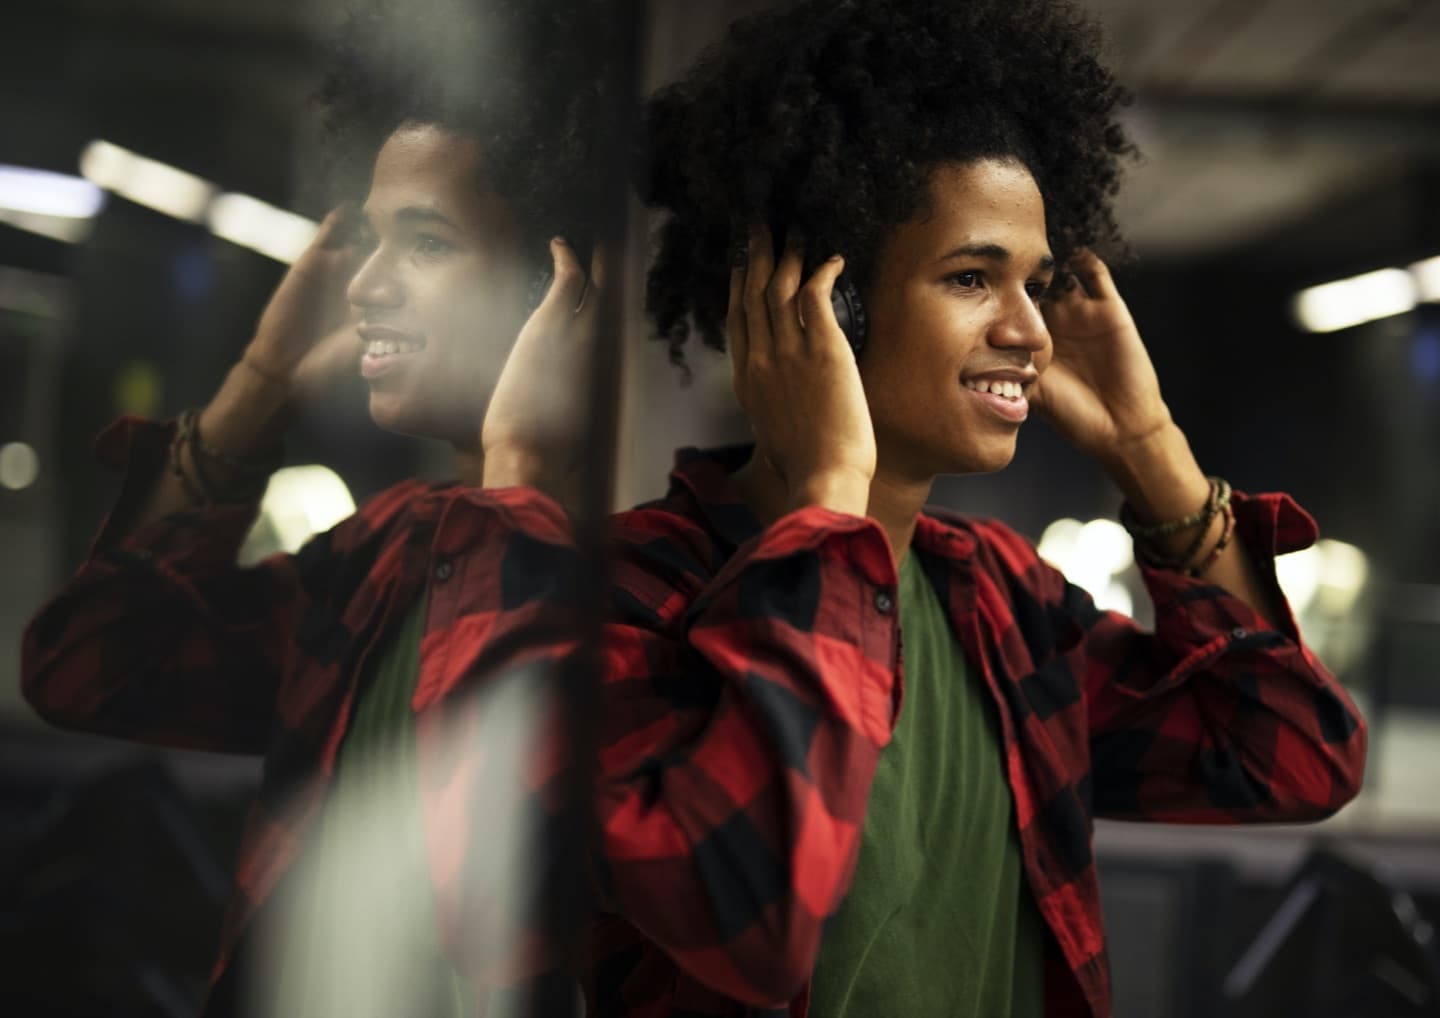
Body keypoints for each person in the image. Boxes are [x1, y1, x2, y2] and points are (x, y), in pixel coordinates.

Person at [584, 0, 1368, 1015]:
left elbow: (1295, 756)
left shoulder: (998, 603)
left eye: (1036, 284)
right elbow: (745, 917)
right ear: (821, 306)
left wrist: (1147, 447)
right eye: (971, 277)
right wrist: (828, 501)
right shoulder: (631, 597)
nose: (1031, 330)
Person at [21, 0, 615, 1013]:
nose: (366, 284)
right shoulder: (388, 556)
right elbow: (93, 664)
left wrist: (518, 471)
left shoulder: (648, 580)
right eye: (371, 242)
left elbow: (492, 879)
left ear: (557, 288)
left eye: (425, 244)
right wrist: (260, 382)